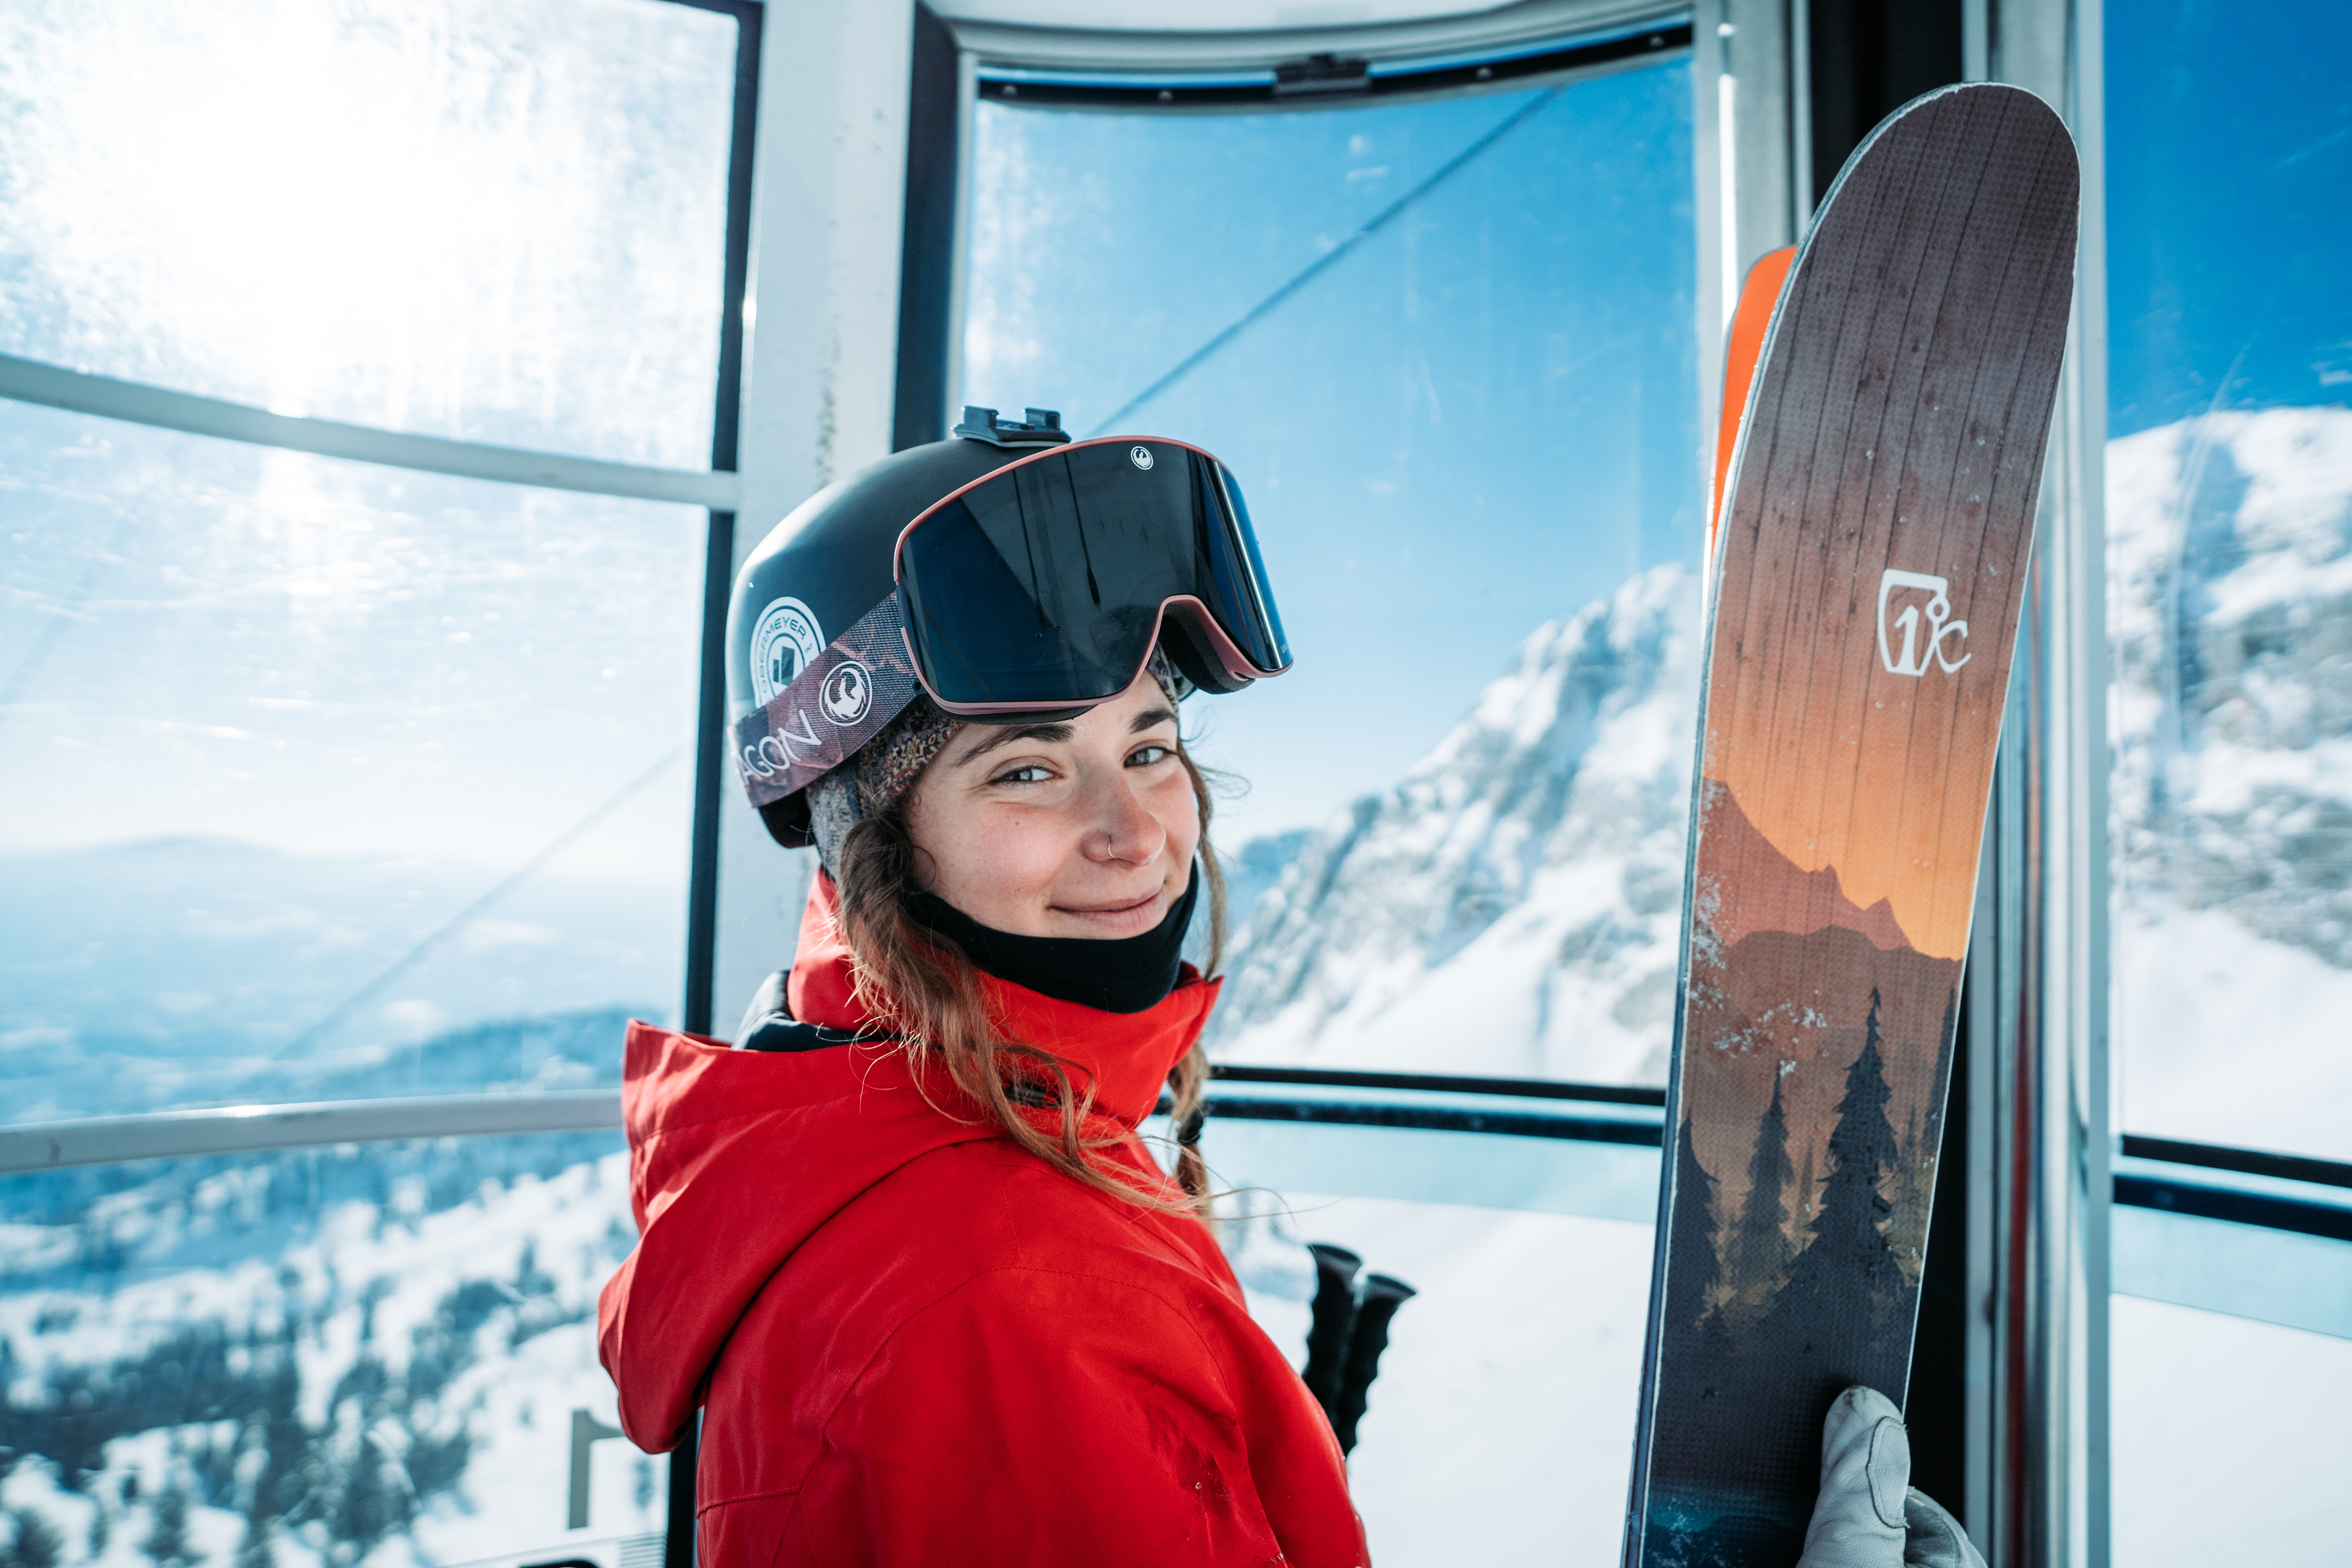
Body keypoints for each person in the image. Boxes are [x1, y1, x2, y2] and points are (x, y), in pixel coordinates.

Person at [595, 410, 1983, 1567]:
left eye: (1149, 745)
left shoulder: (862, 1130)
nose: (1134, 829)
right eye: (1025, 768)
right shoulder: (1010, 1296)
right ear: (871, 837)